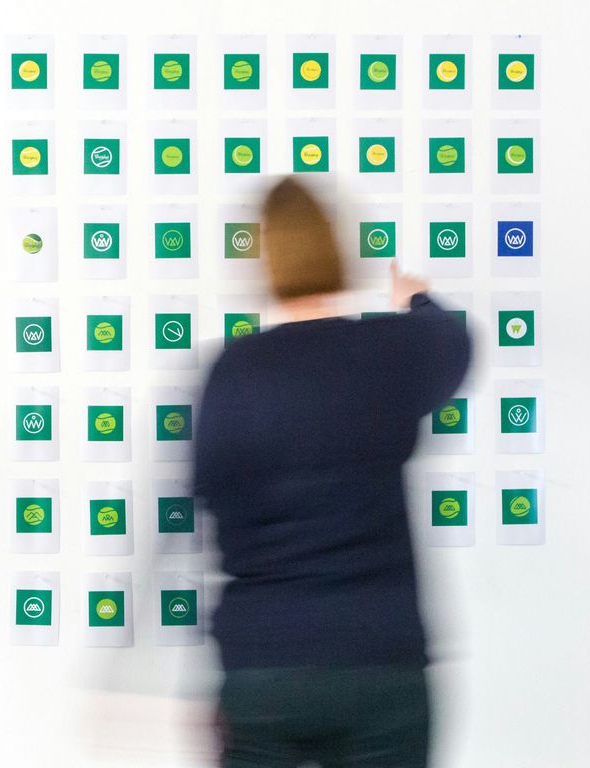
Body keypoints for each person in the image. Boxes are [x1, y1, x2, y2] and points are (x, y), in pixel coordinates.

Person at [194, 177, 471, 768]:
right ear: (337, 250)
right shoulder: (386, 350)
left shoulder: (232, 371)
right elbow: (455, 343)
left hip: (263, 662)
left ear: (264, 259)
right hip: (380, 659)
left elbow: (211, 495)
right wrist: (414, 300)